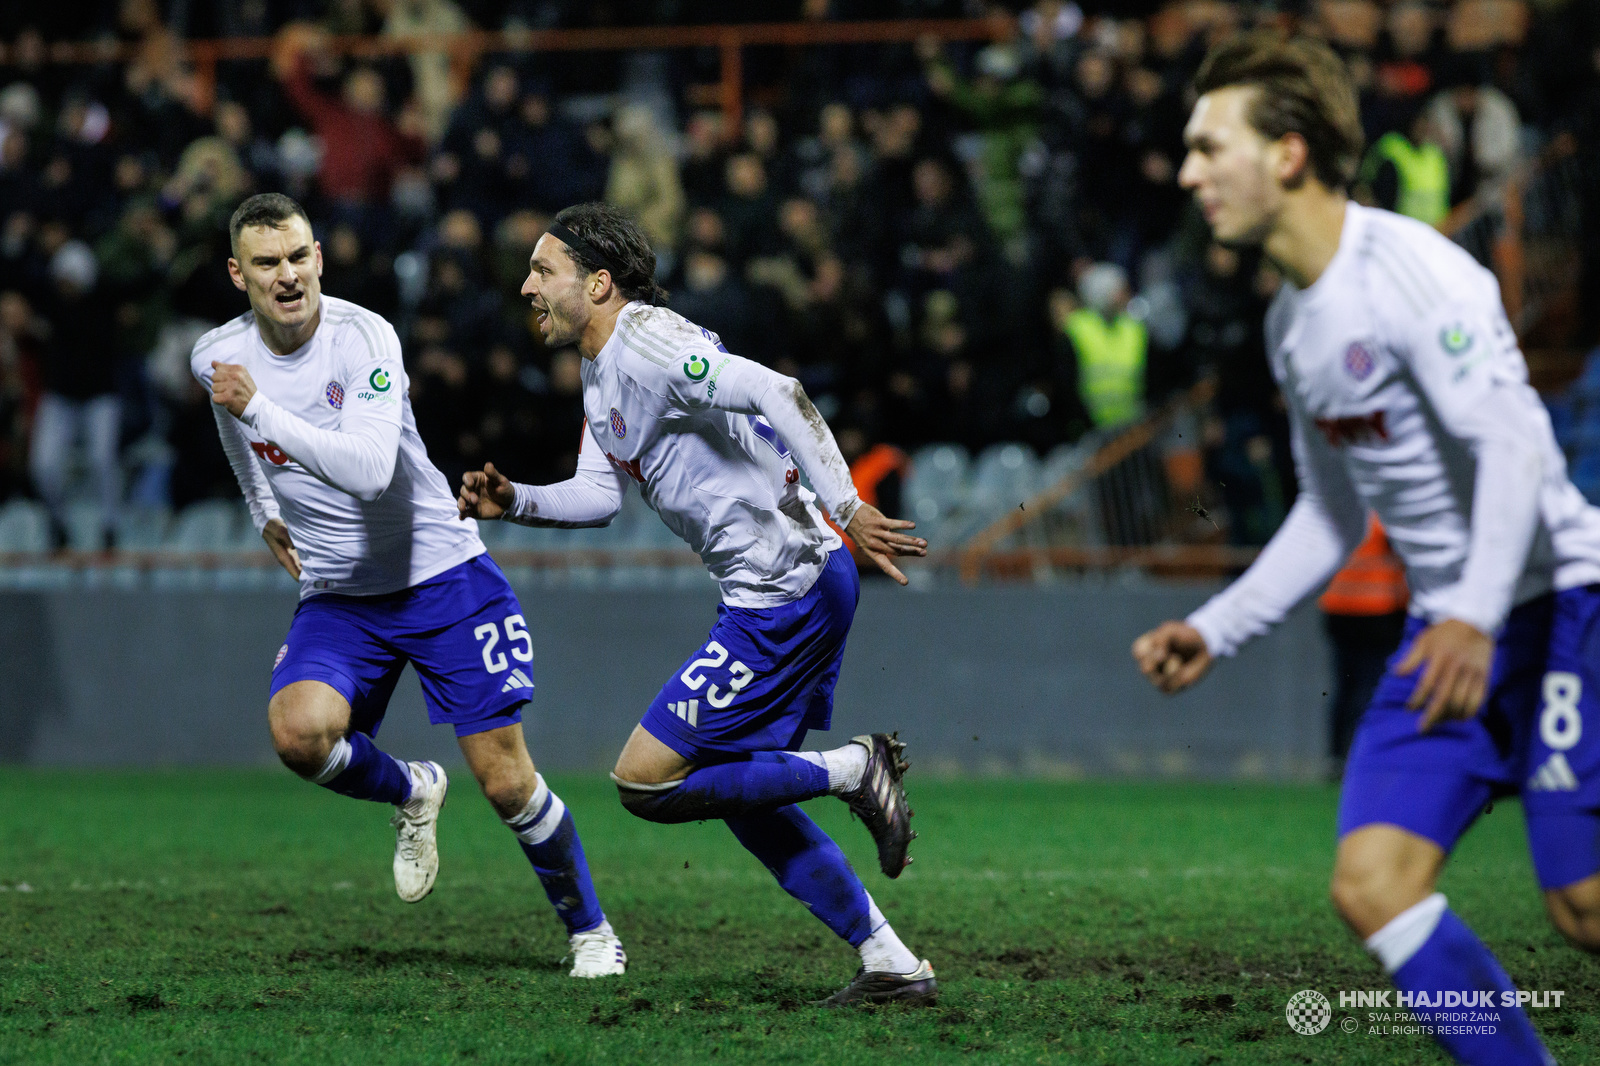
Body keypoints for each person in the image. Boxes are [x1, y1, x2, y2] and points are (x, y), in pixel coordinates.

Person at [1132, 32, 1600, 1066]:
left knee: (1582, 905)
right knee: (1372, 884)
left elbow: (1517, 447)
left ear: (1288, 155)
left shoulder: (1413, 274)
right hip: (1456, 627)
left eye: (1211, 146)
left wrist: (1476, 612)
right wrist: (1217, 627)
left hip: (1564, 599)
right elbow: (1332, 514)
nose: (1188, 171)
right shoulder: (1294, 326)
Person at [457, 202, 937, 1007]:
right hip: (781, 589)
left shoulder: (649, 342)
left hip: (786, 591)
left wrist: (849, 507)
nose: (526, 287)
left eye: (544, 271)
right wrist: (517, 504)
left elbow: (779, 392)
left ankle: (856, 767)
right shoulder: (601, 364)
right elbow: (597, 494)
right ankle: (890, 962)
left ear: (598, 282)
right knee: (744, 791)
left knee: (645, 782)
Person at [192, 193, 625, 978]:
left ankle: (590, 930)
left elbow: (367, 469)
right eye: (266, 263)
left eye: (297, 257)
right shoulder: (217, 355)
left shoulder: (365, 339)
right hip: (339, 593)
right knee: (298, 734)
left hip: (441, 575)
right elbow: (233, 428)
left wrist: (259, 406)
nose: (286, 276)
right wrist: (263, 513)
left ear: (318, 256)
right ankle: (413, 789)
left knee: (505, 782)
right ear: (237, 273)